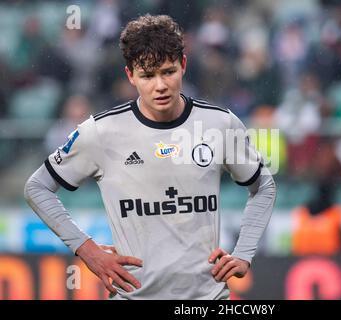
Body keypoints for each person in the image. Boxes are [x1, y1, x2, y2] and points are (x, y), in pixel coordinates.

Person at [24, 14, 276, 300]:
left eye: (168, 71)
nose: (160, 86)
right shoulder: (100, 132)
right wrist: (87, 249)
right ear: (130, 75)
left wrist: (244, 253)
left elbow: (264, 186)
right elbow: (37, 187)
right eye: (147, 75)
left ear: (183, 65)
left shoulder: (220, 124)